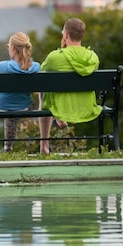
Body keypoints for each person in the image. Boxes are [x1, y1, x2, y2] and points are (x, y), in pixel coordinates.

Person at [38, 17, 102, 154]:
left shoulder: (55, 58)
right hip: (86, 107)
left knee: (44, 88)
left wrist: (62, 50)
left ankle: (44, 145)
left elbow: (40, 75)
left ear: (66, 35)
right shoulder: (93, 58)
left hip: (61, 107)